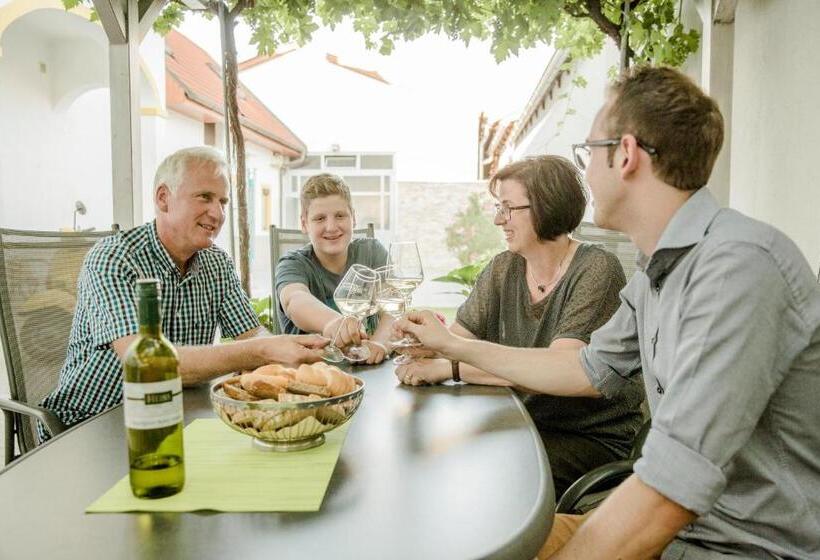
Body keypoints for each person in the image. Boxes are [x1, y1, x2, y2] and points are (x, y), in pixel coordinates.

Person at [395, 66, 820, 559]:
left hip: (738, 548)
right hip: (679, 532)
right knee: (464, 539)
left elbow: (671, 488)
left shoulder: (737, 267)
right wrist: (455, 348)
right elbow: (586, 367)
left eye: (588, 152)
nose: (585, 172)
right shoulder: (655, 273)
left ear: (625, 154)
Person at [395, 155, 644, 497]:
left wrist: (450, 365)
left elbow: (559, 371)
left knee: (475, 473)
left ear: (545, 206)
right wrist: (417, 339)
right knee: (445, 455)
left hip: (586, 437)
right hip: (524, 420)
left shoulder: (597, 270)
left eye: (508, 208)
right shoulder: (504, 268)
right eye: (498, 207)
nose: (498, 219)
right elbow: (454, 338)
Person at [40, 147, 327, 434]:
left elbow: (253, 333)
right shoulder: (115, 258)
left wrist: (278, 353)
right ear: (163, 199)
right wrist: (262, 351)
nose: (218, 213)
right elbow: (147, 363)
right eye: (205, 197)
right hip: (89, 426)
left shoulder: (216, 262)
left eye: (223, 201)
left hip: (177, 417)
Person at [276, 173, 392, 364]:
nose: (331, 227)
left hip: (370, 371)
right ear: (304, 224)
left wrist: (379, 344)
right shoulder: (293, 264)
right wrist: (333, 323)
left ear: (353, 218)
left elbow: (393, 308)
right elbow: (294, 301)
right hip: (312, 375)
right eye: (320, 218)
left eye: (340, 216)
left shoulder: (372, 252)